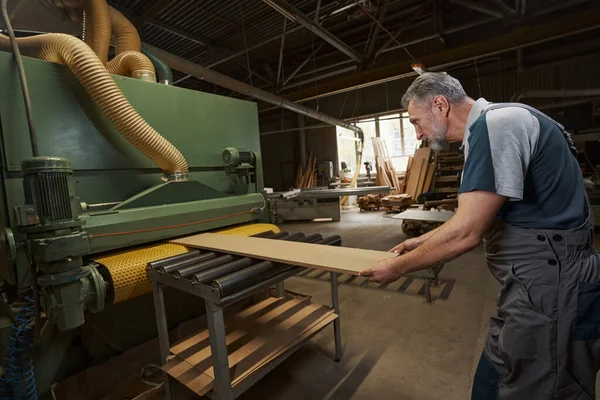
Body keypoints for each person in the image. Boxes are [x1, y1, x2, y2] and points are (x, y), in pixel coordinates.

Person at [360, 72, 600, 399]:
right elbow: (474, 216)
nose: (416, 134)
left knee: (546, 385)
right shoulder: (488, 127)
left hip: (552, 283)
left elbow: (467, 232)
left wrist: (398, 268)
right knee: (491, 379)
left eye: (416, 122)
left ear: (440, 105)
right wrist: (424, 241)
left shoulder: (498, 125)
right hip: (531, 281)